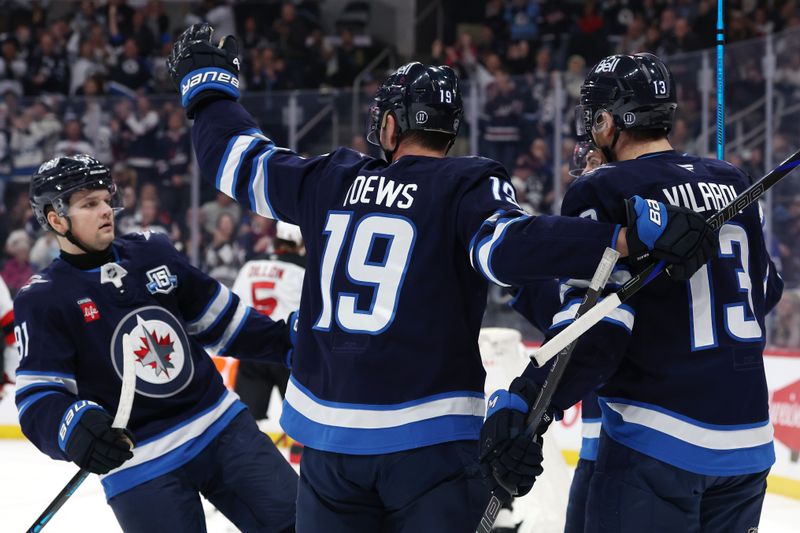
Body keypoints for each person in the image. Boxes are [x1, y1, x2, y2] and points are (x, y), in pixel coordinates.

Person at [167, 25, 714, 531]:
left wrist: (208, 90)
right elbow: (507, 252)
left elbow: (236, 159)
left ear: (389, 124)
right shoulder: (466, 183)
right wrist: (618, 237)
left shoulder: (328, 177)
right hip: (429, 444)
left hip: (329, 445)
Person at [481, 53, 784, 532]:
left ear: (605, 120)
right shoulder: (732, 182)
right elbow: (765, 292)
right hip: (748, 445)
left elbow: (598, 326)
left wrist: (529, 397)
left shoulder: (607, 188)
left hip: (657, 444)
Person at [14, 155, 298, 532]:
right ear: (55, 219)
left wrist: (292, 342)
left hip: (221, 427)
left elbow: (225, 321)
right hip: (138, 463)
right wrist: (73, 426)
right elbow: (38, 398)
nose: (105, 211)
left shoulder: (152, 252)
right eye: (88, 204)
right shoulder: (43, 298)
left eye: (105, 199)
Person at [507, 139, 607, 533]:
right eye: (585, 168)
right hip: (600, 445)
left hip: (633, 448)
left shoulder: (637, 240)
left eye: (598, 163)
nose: (587, 175)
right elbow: (566, 324)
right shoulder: (587, 242)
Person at [231, 221, 306, 424]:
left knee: (247, 422)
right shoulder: (304, 270)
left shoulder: (250, 266)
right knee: (301, 420)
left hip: (252, 349)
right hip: (288, 350)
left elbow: (235, 304)